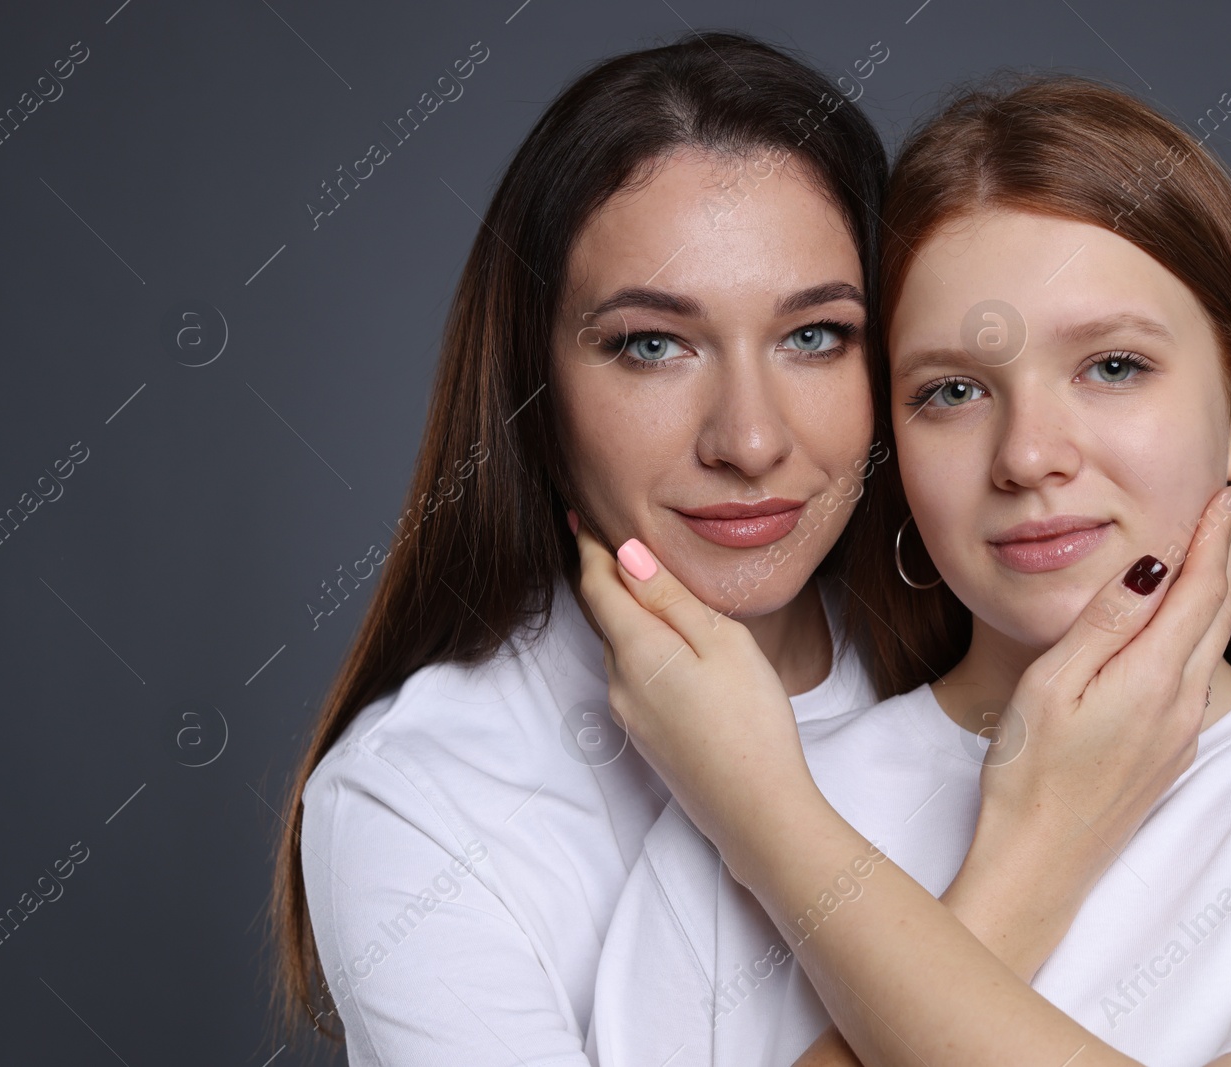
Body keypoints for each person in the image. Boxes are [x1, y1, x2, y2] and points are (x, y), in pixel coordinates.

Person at [575, 75, 1231, 1067]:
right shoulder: (725, 814)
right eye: (951, 390)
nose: (1028, 455)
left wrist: (774, 826)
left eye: (1112, 366)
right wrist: (1014, 846)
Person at [266, 32, 891, 1063]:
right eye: (652, 344)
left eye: (814, 335)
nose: (748, 438)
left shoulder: (986, 661)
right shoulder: (420, 799)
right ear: (533, 386)